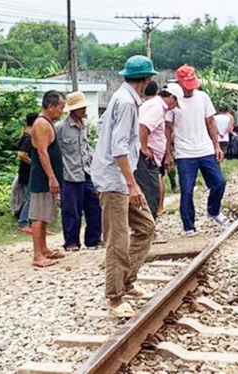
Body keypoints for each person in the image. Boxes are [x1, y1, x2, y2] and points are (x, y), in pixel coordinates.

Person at [91, 55, 158, 318]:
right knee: (117, 239)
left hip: (121, 177)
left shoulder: (123, 99)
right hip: (114, 180)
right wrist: (132, 184)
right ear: (147, 79)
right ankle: (115, 297)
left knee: (146, 227)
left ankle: (127, 280)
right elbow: (119, 146)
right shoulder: (126, 103)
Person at [170, 64, 229, 237]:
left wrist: (216, 145)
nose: (190, 90)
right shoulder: (173, 102)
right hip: (184, 153)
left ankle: (213, 210)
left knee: (219, 182)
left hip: (205, 148)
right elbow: (168, 128)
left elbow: (210, 122)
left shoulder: (203, 97)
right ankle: (189, 226)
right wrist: (168, 153)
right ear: (179, 84)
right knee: (187, 190)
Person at [57, 91, 102, 251]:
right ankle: (71, 242)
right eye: (80, 107)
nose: (83, 110)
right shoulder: (60, 128)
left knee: (95, 207)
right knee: (71, 211)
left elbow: (87, 146)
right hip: (69, 174)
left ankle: (93, 240)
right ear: (72, 110)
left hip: (87, 173)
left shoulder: (84, 126)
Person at [135, 83, 183, 222]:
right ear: (172, 98)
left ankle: (147, 229)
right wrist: (144, 148)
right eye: (176, 103)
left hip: (148, 157)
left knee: (150, 191)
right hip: (145, 157)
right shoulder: (156, 108)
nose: (175, 107)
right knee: (151, 193)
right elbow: (143, 127)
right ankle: (148, 230)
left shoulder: (152, 104)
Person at [29, 90, 66, 268]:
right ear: (50, 107)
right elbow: (42, 152)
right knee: (38, 215)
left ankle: (44, 249)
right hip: (42, 177)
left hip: (47, 176)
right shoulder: (41, 124)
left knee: (44, 215)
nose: (62, 111)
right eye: (60, 107)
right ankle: (37, 255)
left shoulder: (47, 122)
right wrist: (51, 177)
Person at [17, 112, 38, 234]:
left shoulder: (28, 135)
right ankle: (23, 221)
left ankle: (29, 222)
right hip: (27, 172)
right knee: (29, 198)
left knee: (31, 197)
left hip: (28, 172)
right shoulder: (27, 137)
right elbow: (21, 154)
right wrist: (33, 164)